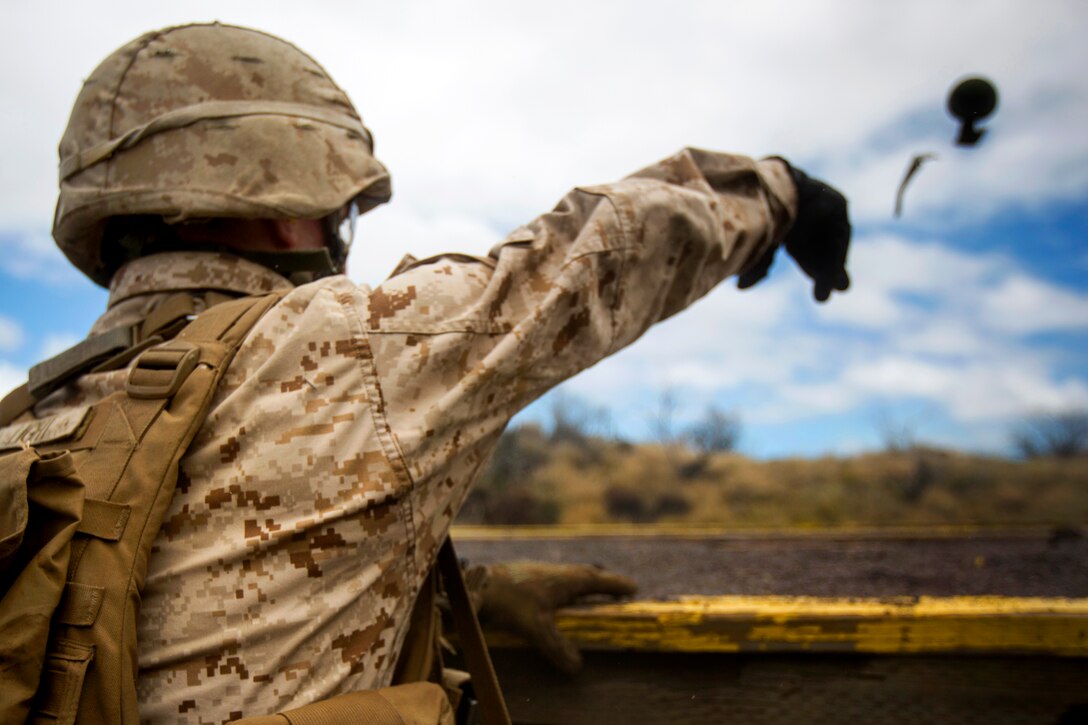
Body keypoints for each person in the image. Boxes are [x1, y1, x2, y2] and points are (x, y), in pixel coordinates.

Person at [5, 21, 850, 723]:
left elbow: (165, 618)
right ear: (289, 199)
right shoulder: (334, 344)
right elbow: (601, 254)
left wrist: (456, 598)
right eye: (339, 209)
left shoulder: (27, 417)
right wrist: (781, 195)